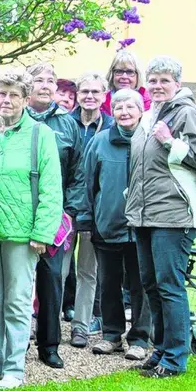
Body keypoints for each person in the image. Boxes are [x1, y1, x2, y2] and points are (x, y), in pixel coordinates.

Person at [0, 70, 62, 390]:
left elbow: (51, 187)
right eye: (1, 94)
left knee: (18, 300)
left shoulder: (40, 134)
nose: (7, 101)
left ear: (25, 99)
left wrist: (42, 232)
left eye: (14, 95)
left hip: (23, 231)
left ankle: (14, 368)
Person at [124, 56, 196, 379]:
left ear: (177, 84)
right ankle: (161, 350)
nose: (158, 86)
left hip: (175, 214)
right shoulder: (149, 115)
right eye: (153, 80)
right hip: (144, 214)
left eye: (165, 80)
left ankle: (176, 357)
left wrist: (170, 142)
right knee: (151, 284)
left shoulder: (186, 113)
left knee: (169, 285)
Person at [80, 89, 155, 359]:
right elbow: (88, 182)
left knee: (141, 285)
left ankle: (140, 338)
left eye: (130, 107)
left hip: (142, 227)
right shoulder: (100, 142)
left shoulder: (149, 140)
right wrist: (87, 219)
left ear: (140, 110)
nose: (124, 112)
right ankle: (111, 334)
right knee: (108, 283)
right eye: (119, 107)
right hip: (107, 224)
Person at [25, 61, 87, 368]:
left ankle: (49, 345)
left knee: (51, 281)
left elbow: (78, 172)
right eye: (39, 80)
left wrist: (68, 211)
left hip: (55, 216)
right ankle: (17, 340)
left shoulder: (68, 123)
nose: (46, 85)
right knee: (17, 283)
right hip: (18, 213)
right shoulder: (14, 119)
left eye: (51, 80)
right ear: (28, 85)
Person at [66, 71, 112, 346]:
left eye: (95, 92)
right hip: (65, 208)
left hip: (95, 210)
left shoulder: (111, 128)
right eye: (85, 91)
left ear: (104, 96)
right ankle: (44, 324)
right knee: (56, 271)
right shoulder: (64, 124)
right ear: (77, 95)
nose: (90, 97)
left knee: (87, 271)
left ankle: (81, 326)